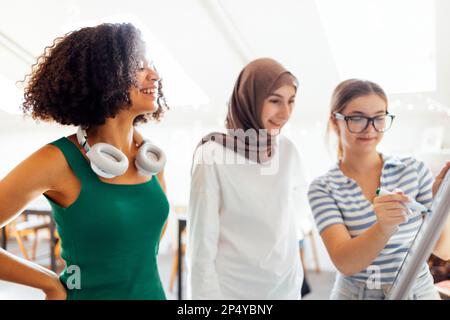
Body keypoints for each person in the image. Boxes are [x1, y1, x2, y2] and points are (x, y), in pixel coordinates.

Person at [0, 23, 170, 300]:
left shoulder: (150, 159)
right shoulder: (57, 160)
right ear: (107, 77)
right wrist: (48, 282)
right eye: (140, 67)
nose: (155, 76)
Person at [308, 79, 450, 300]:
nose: (370, 128)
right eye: (357, 118)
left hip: (419, 292)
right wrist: (383, 228)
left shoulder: (413, 170)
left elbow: (444, 251)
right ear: (335, 121)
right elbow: (346, 263)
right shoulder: (323, 187)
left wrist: (442, 203)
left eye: (378, 118)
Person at [187, 58, 304, 299]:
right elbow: (201, 249)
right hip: (233, 293)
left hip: (285, 289)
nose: (285, 113)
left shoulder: (288, 150)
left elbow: (296, 219)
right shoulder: (211, 155)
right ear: (248, 99)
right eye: (274, 101)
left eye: (291, 101)